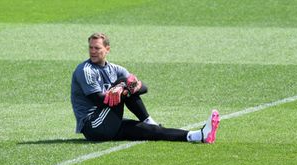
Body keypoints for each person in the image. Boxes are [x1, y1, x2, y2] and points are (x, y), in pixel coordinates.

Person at [70, 32, 220, 143]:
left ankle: (199, 136)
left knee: (153, 131)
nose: (93, 51)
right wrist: (125, 86)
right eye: (90, 48)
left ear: (107, 49)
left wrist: (125, 88)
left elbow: (143, 88)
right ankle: (147, 119)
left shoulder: (115, 68)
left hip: (110, 122)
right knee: (125, 81)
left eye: (97, 48)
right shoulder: (86, 70)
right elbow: (99, 100)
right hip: (94, 126)